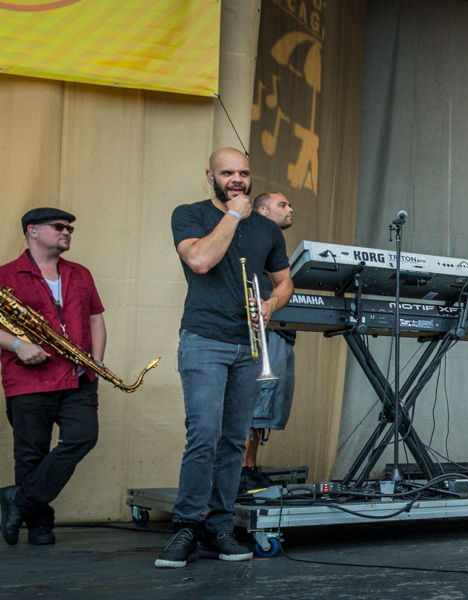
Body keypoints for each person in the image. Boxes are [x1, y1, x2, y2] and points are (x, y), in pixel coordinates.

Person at [158, 148, 293, 568]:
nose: (237, 179)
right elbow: (200, 260)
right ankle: (187, 526)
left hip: (249, 344)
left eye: (244, 173)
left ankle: (218, 528)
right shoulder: (191, 215)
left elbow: (285, 281)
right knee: (204, 434)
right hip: (204, 339)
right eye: (228, 173)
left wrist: (271, 303)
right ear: (210, 175)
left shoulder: (268, 230)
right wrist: (233, 216)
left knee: (234, 440)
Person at [0, 208, 104, 546]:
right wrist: (16, 345)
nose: (67, 232)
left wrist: (96, 363)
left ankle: (17, 500)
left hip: (79, 378)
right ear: (32, 231)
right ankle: (39, 525)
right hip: (29, 378)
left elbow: (95, 319)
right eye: (58, 226)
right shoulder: (6, 275)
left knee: (83, 437)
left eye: (70, 227)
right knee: (30, 454)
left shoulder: (80, 273)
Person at [240, 192, 296, 493]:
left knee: (264, 404)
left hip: (276, 330)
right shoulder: (249, 241)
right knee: (251, 400)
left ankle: (249, 466)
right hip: (256, 331)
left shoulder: (275, 244)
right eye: (282, 205)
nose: (290, 209)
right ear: (262, 211)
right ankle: (240, 468)